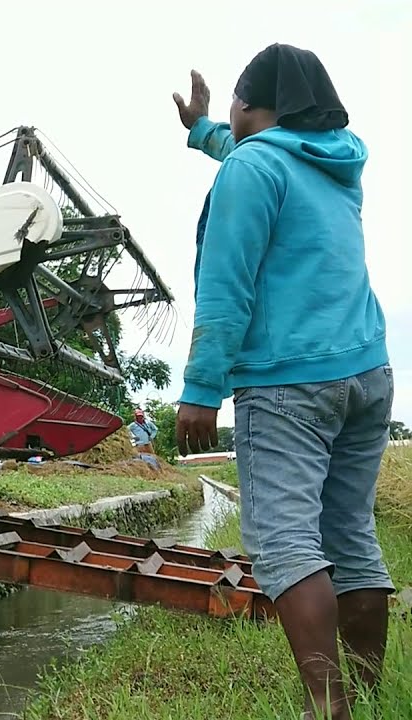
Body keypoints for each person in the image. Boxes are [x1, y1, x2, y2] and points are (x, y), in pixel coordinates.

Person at [172, 45, 393, 720]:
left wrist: (202, 389)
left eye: (233, 103)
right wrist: (201, 130)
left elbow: (226, 285)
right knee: (350, 536)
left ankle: (327, 709)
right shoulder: (334, 161)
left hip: (288, 382)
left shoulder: (253, 167)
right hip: (367, 371)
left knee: (285, 543)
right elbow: (256, 152)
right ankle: (364, 698)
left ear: (250, 104)